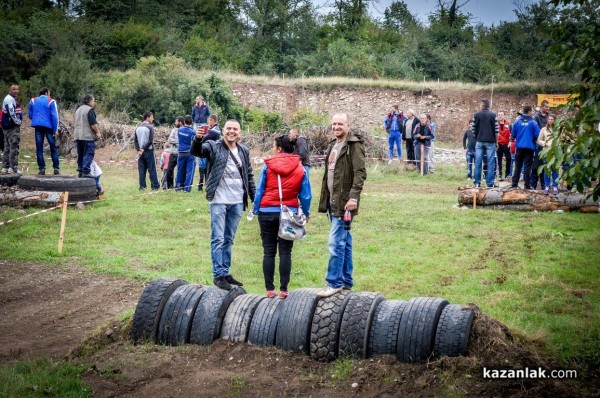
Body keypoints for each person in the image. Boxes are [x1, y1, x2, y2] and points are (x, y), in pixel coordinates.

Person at [190, 119, 256, 290]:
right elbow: (197, 152)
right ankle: (218, 275)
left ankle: (225, 272)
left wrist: (254, 197)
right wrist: (197, 139)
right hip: (219, 200)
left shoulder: (244, 151)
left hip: (236, 202)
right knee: (218, 238)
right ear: (223, 131)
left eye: (235, 129)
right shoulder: (213, 146)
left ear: (239, 133)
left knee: (229, 239)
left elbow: (248, 175)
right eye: (228, 128)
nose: (231, 131)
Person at [253, 135, 312, 299]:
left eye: (273, 146)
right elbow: (306, 195)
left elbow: (260, 190)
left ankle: (269, 289)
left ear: (279, 148)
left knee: (268, 251)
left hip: (267, 212)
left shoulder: (268, 165)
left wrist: (256, 209)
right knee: (285, 252)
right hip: (289, 212)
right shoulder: (300, 167)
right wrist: (306, 213)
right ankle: (284, 290)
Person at [316, 113, 366, 297]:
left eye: (340, 124)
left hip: (345, 202)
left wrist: (353, 198)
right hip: (332, 201)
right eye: (334, 124)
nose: (336, 127)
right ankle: (346, 281)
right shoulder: (333, 145)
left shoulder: (354, 145)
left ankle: (334, 282)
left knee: (335, 242)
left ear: (348, 126)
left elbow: (360, 173)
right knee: (345, 241)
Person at [28, 87, 60, 175]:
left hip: (38, 126)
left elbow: (30, 115)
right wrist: (55, 130)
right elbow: (55, 117)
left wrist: (37, 118)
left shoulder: (33, 101)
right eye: (49, 93)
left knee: (39, 148)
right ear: (46, 93)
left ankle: (42, 169)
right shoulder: (51, 101)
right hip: (49, 127)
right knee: (53, 147)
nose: (49, 95)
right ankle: (56, 168)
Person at [511, 105, 541, 189]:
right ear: (529, 112)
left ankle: (514, 185)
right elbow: (537, 135)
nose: (533, 112)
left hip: (519, 147)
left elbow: (513, 134)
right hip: (529, 147)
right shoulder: (533, 122)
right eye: (532, 111)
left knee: (518, 166)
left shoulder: (517, 121)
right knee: (528, 167)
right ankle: (527, 185)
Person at [472, 99, 499, 188]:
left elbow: (473, 129)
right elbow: (496, 131)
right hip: (490, 141)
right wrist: (497, 142)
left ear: (482, 105)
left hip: (479, 141)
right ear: (488, 106)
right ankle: (489, 183)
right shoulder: (493, 115)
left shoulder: (476, 115)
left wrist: (477, 137)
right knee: (490, 162)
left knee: (478, 162)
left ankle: (477, 182)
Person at [74, 94, 101, 178]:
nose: (94, 102)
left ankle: (80, 171)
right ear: (90, 101)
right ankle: (86, 171)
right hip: (87, 136)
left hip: (78, 136)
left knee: (81, 153)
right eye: (93, 100)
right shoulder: (90, 110)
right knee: (89, 153)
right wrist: (98, 132)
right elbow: (93, 124)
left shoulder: (78, 110)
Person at [134, 111, 160, 191]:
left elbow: (135, 141)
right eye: (152, 117)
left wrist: (139, 150)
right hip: (148, 150)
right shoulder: (150, 127)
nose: (153, 118)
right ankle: (155, 186)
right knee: (152, 169)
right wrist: (144, 149)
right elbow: (150, 141)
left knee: (141, 170)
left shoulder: (137, 127)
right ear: (147, 117)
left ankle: (142, 187)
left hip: (140, 153)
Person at [2, 84, 23, 174]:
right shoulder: (9, 99)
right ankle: (13, 168)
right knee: (14, 146)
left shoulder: (9, 99)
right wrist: (18, 122)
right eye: (14, 89)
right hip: (12, 127)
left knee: (7, 147)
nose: (16, 91)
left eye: (17, 89)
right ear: (10, 90)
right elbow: (11, 113)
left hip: (7, 126)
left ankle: (5, 167)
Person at [197, 114, 221, 191]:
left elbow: (204, 138)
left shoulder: (215, 130)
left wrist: (202, 136)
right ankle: (205, 186)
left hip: (212, 153)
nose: (208, 122)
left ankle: (208, 187)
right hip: (211, 152)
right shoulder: (214, 129)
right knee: (205, 170)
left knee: (209, 170)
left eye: (208, 120)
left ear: (212, 120)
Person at [531, 100, 550, 190]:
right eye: (546, 106)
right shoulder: (536, 117)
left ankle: (544, 185)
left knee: (545, 166)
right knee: (535, 166)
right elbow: (536, 131)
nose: (547, 108)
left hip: (548, 145)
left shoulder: (549, 116)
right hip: (538, 144)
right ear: (542, 107)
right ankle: (533, 186)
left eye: (548, 107)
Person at [537, 114, 559, 195]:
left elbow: (562, 139)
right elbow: (539, 140)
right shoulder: (543, 129)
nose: (550, 121)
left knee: (555, 170)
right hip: (546, 151)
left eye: (552, 119)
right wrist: (544, 143)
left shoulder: (558, 129)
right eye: (549, 119)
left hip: (555, 152)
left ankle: (555, 186)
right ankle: (547, 186)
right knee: (547, 169)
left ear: (555, 120)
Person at [176, 116, 196, 192]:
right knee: (189, 171)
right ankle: (187, 188)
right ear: (192, 122)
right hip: (189, 153)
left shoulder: (179, 130)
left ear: (184, 121)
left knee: (180, 170)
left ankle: (178, 187)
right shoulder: (193, 132)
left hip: (180, 152)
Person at [165, 116, 183, 189]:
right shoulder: (174, 130)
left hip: (181, 154)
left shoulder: (185, 130)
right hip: (173, 153)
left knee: (180, 171)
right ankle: (170, 187)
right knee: (169, 170)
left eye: (176, 121)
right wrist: (178, 142)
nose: (175, 123)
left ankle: (179, 186)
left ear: (180, 122)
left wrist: (177, 142)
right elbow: (170, 140)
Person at [496, 111, 511, 180]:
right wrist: (495, 143)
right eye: (499, 115)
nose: (500, 116)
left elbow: (512, 133)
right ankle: (499, 174)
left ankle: (507, 174)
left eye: (501, 115)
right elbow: (494, 134)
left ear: (504, 116)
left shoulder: (508, 124)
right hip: (499, 144)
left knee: (508, 159)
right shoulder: (496, 124)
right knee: (499, 160)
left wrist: (510, 142)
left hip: (506, 144)